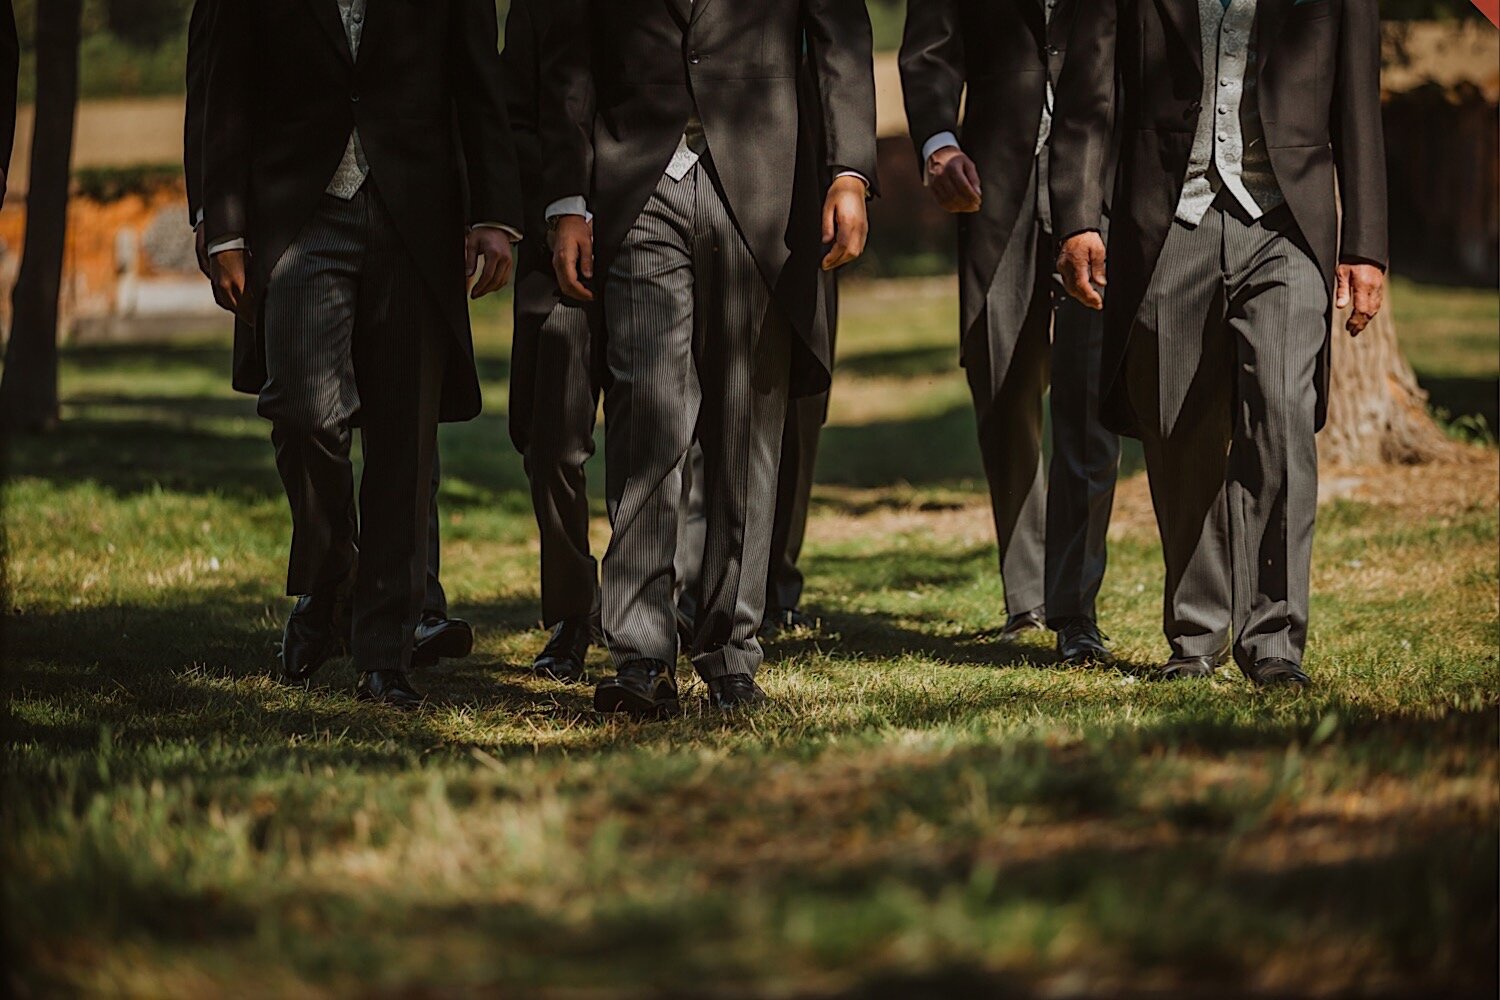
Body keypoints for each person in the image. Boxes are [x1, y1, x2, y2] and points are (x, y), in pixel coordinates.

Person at [543, 0, 878, 716]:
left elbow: (841, 35)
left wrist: (850, 172)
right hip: (636, 183)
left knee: (747, 423)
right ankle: (639, 649)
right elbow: (567, 53)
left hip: (762, 185)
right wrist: (567, 196)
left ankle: (730, 649)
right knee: (646, 410)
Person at [1052, 0, 1388, 685]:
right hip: (1172, 214)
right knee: (1178, 420)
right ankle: (1196, 637)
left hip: (1286, 222)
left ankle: (1274, 644)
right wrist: (1078, 216)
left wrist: (1365, 245)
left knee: (1283, 410)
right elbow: (1089, 92)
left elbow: (1359, 102)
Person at [201, 0, 523, 707]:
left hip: (416, 211)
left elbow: (478, 82)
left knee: (403, 444)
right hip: (298, 212)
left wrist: (494, 214)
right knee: (304, 413)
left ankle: (384, 654)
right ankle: (332, 575)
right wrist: (222, 227)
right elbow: (221, 85)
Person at [899, 0, 1121, 665]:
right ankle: (1024, 597)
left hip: (1103, 182)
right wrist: (939, 141)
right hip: (993, 185)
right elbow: (928, 50)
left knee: (1087, 395)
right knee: (1002, 386)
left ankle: (1073, 611)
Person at [499, 0, 606, 684]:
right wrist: (559, 207)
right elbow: (514, 117)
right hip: (555, 254)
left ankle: (655, 607)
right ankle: (571, 614)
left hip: (662, 228)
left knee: (671, 431)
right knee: (550, 444)